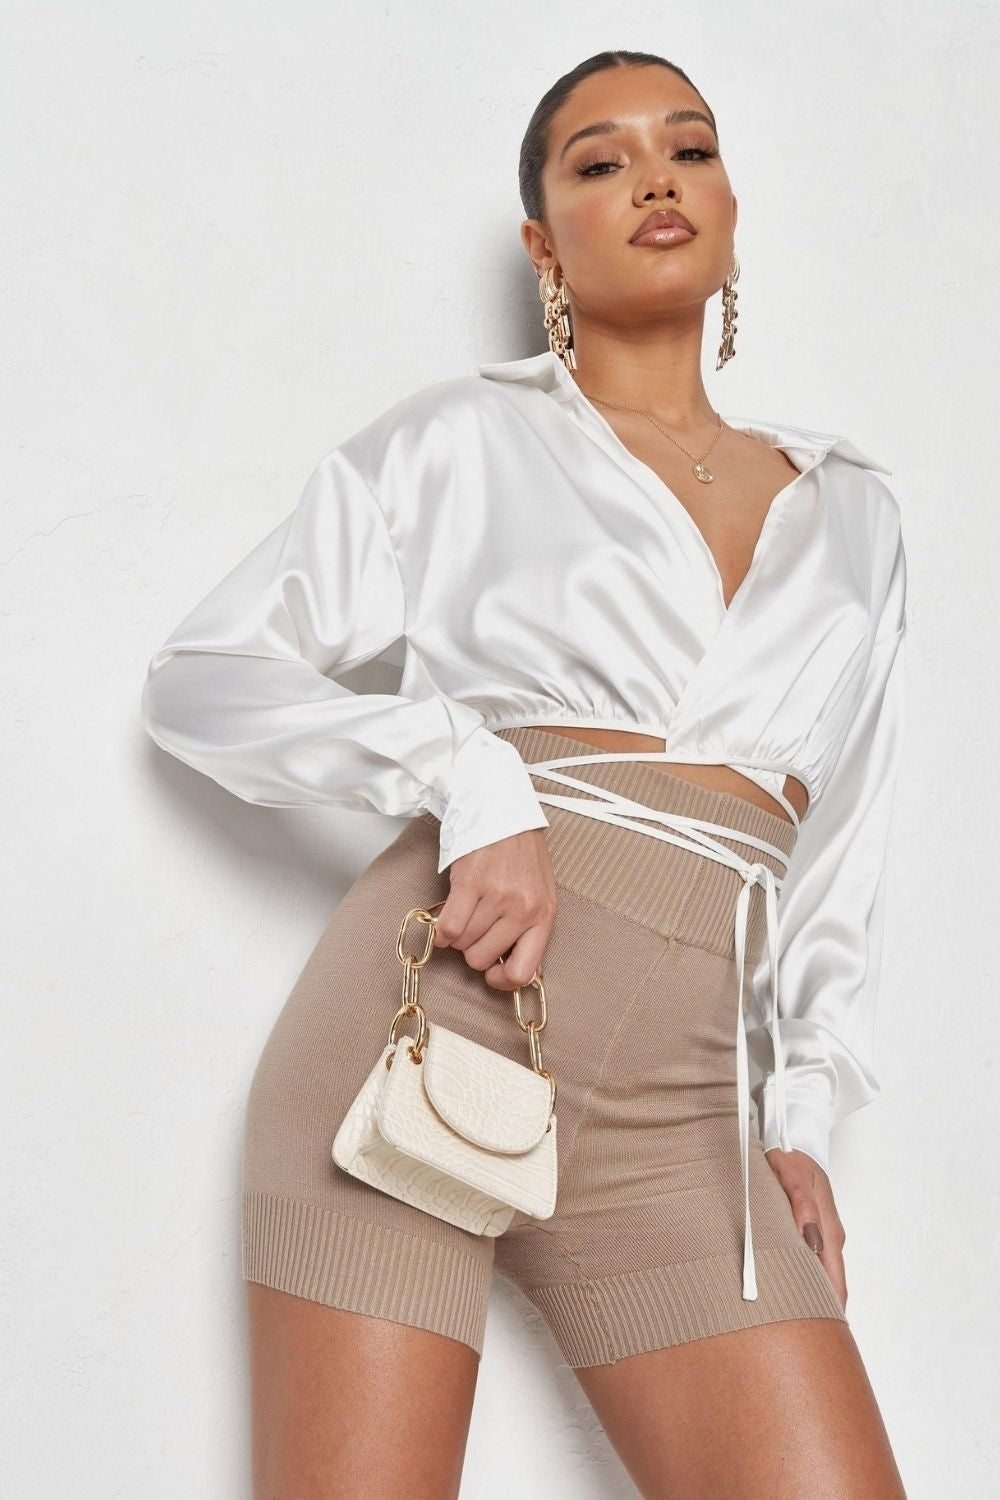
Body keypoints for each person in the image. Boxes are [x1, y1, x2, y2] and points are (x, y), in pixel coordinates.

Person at [140, 48, 909, 1500]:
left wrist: (800, 1112)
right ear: (544, 244)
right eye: (600, 162)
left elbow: (840, 841)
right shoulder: (458, 442)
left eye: (689, 147)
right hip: (431, 1024)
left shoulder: (854, 513)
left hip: (687, 1117)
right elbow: (202, 676)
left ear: (731, 204)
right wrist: (466, 769)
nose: (656, 177)